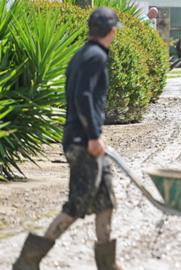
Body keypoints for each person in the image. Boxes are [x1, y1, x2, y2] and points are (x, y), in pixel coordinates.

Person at [12, 7, 122, 270]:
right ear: (111, 30)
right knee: (77, 204)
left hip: (86, 139)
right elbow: (83, 98)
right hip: (83, 142)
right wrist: (94, 136)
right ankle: (28, 261)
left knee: (106, 199)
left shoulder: (84, 54)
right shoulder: (94, 56)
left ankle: (108, 264)